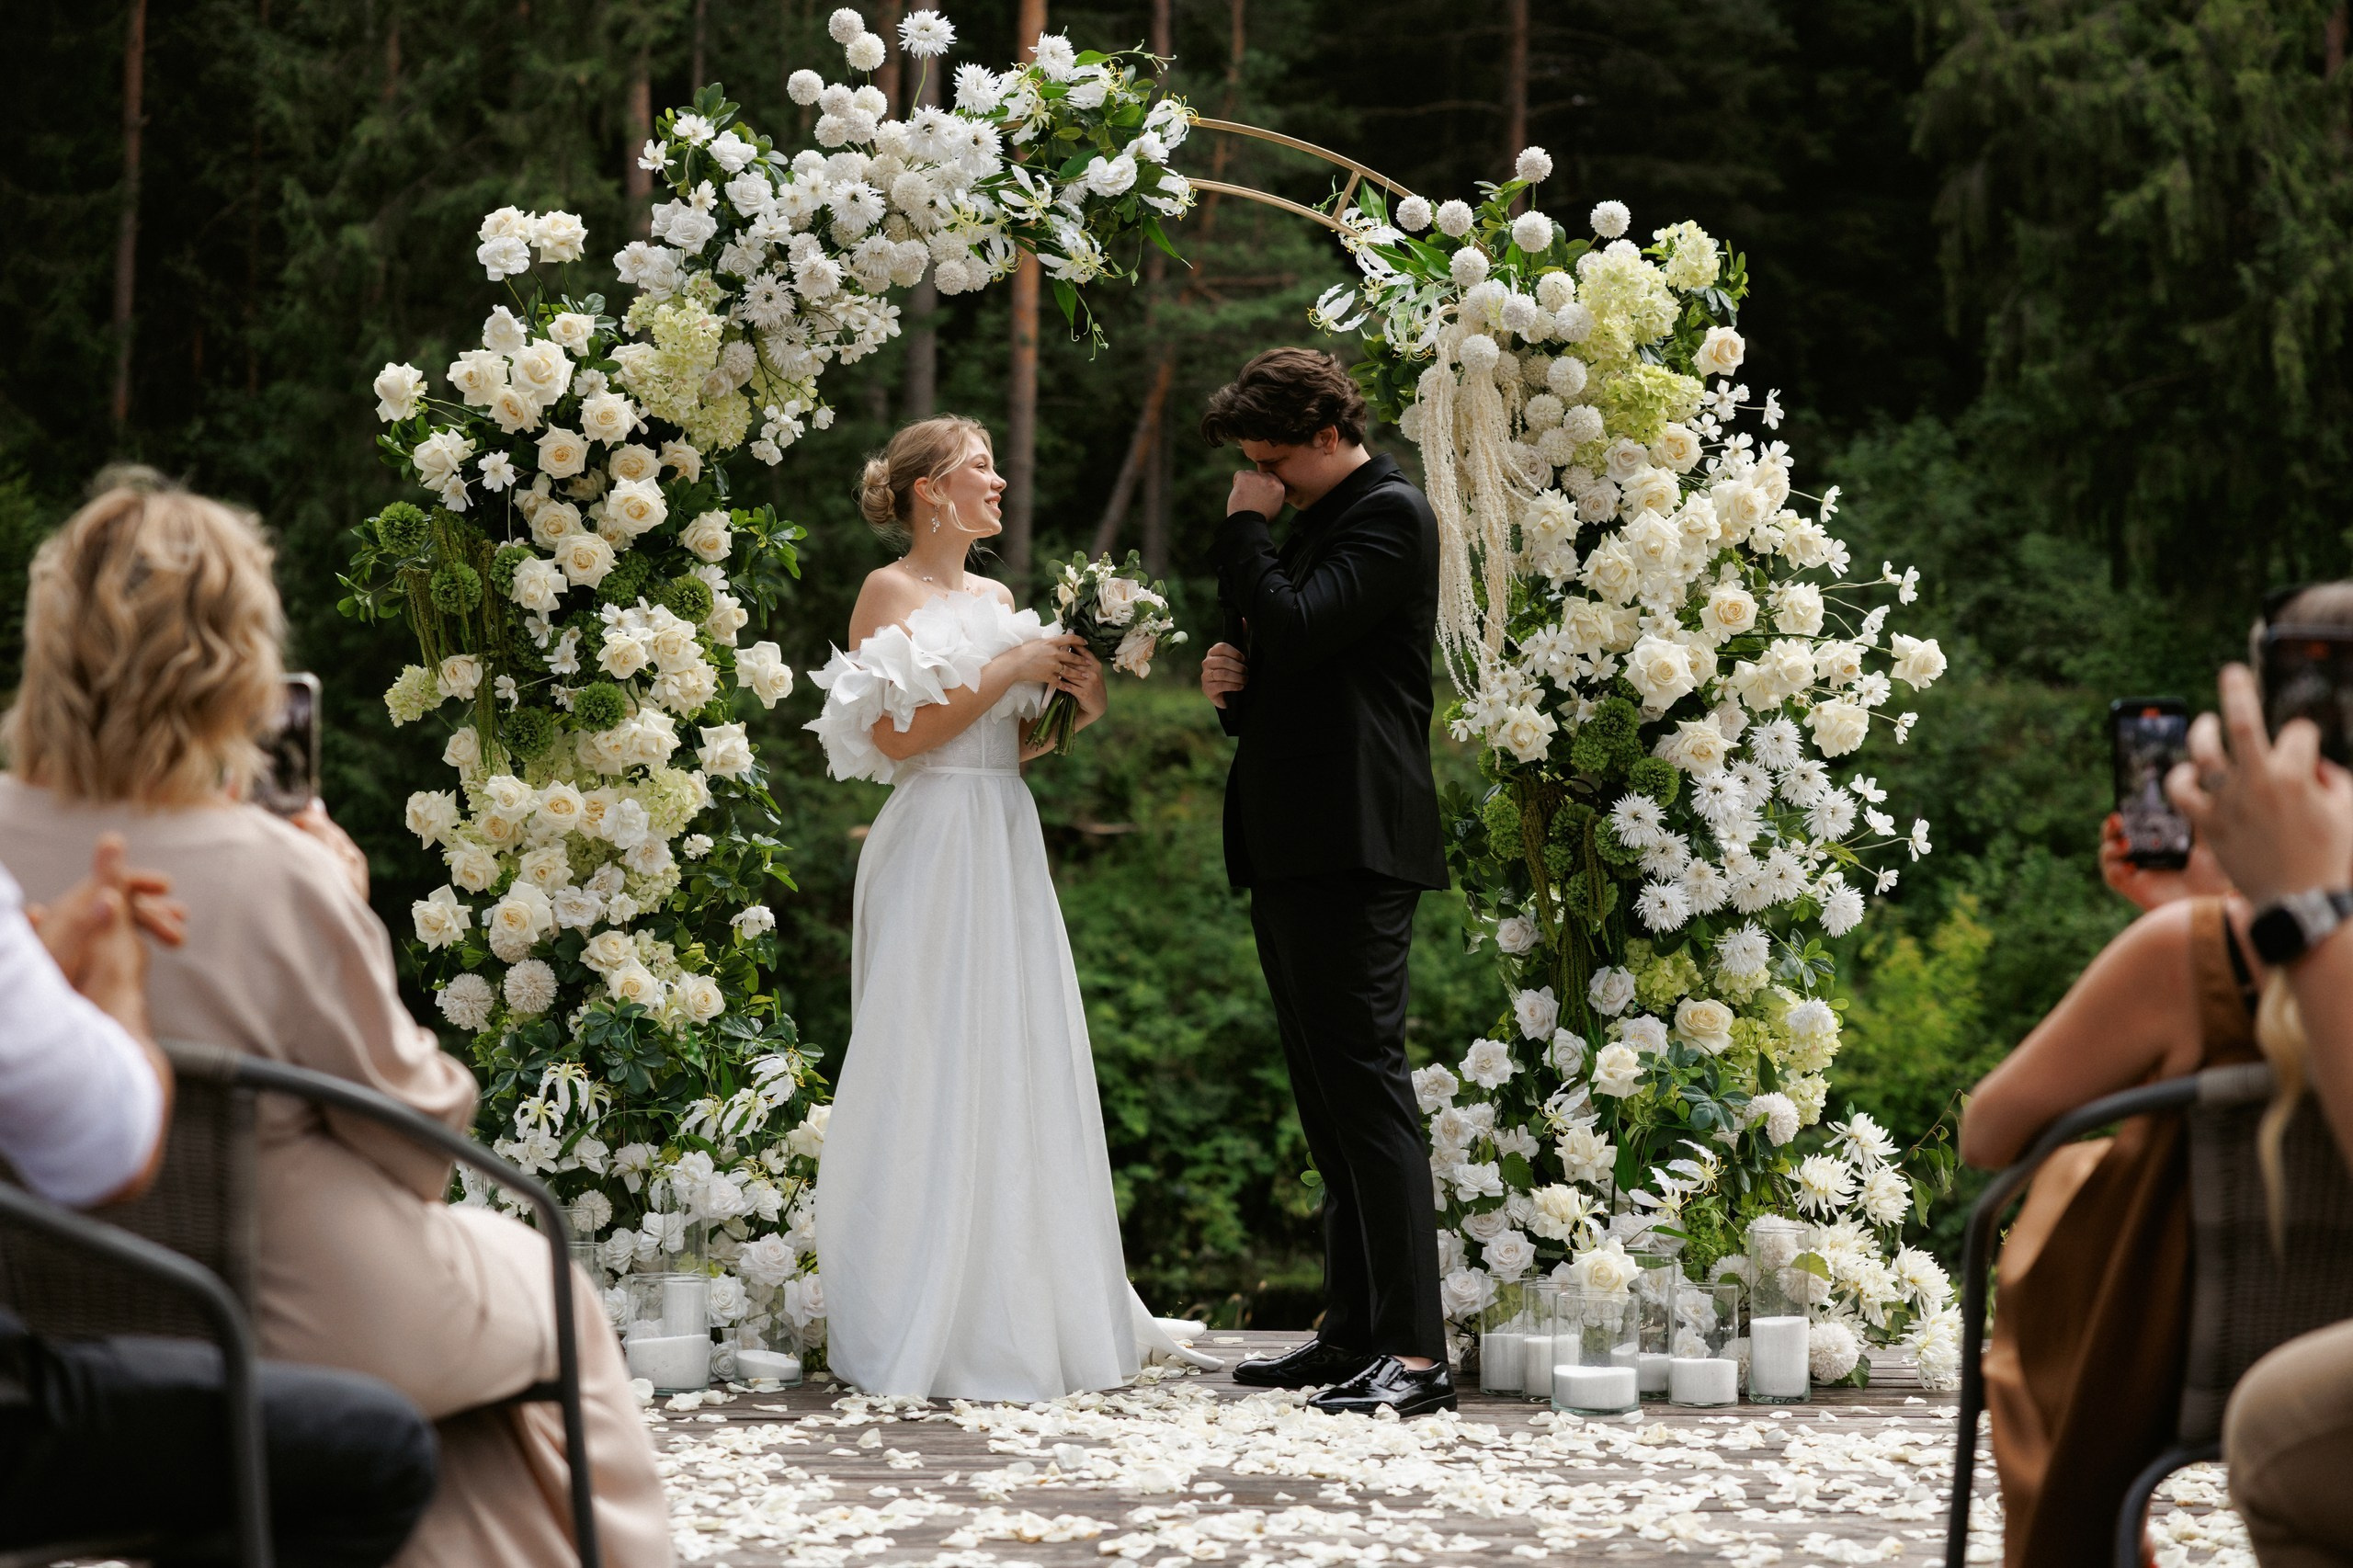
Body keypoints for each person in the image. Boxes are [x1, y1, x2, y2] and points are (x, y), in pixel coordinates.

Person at [0, 472, 670, 1567]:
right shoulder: (277, 869)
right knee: (547, 1289)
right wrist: (343, 901)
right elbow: (418, 1141)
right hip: (294, 1313)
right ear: (236, 663)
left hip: (49, 1317)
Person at [805, 415, 1219, 1401]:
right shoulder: (887, 591)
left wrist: (1079, 704)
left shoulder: (996, 599)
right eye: (979, 467)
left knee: (1013, 1046)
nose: (998, 482)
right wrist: (1012, 669)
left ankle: (1014, 1299)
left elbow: (1011, 745)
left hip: (1002, 829)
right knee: (924, 1050)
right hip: (930, 838)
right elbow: (900, 741)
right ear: (929, 490)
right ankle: (914, 1304)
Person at [1959, 583, 2353, 1568]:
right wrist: (2216, 905)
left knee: (2066, 1173)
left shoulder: (2199, 954)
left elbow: (1987, 1133)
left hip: (2181, 1360)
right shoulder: (2226, 938)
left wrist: (2196, 930)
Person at [0, 834, 438, 1566]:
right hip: (273, 1306)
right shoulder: (289, 868)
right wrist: (116, 986)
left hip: (73, 1312)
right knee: (384, 1447)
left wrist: (33, 985)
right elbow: (108, 1150)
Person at [1198, 347, 1453, 1417]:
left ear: (1326, 433)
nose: (1259, 478)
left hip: (1356, 838)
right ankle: (1349, 1330)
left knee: (1368, 1091)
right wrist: (1233, 685)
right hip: (1297, 835)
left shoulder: (1389, 514)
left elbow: (1300, 626)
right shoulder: (1320, 517)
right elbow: (1298, 663)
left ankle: (1417, 1355)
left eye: (1271, 461)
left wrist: (1243, 529)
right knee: (1326, 1100)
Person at [2166, 607, 2353, 1567]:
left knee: (2277, 1421)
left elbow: (1988, 1131)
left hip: (2189, 1378)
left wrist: (2290, 913)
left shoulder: (2204, 943)